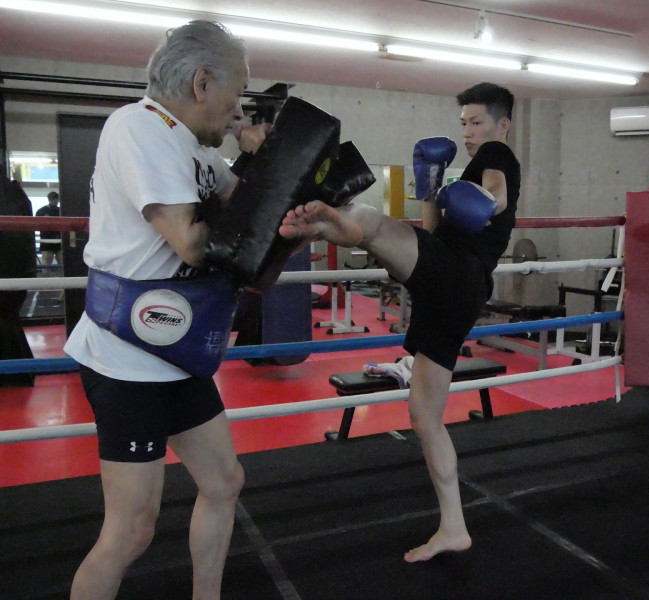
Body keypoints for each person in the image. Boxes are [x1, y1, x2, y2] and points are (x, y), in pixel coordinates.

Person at [63, 21, 268, 600]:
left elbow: (255, 220)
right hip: (126, 358)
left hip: (177, 352)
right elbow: (192, 243)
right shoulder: (139, 127)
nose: (238, 112)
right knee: (130, 531)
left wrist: (275, 172)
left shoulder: (196, 149)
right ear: (203, 83)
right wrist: (257, 193)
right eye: (236, 93)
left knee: (224, 481)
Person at [279, 82, 519, 562]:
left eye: (477, 122)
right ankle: (453, 526)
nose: (469, 132)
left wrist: (485, 202)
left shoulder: (497, 155)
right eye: (464, 123)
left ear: (503, 125)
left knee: (370, 221)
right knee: (425, 416)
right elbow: (432, 234)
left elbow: (498, 194)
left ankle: (314, 223)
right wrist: (430, 189)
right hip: (450, 288)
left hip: (459, 274)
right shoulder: (467, 168)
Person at [36, 191, 62, 268]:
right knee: (47, 267)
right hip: (48, 243)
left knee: (61, 266)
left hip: (55, 243)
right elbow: (37, 225)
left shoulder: (60, 211)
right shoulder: (41, 211)